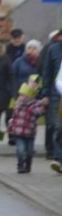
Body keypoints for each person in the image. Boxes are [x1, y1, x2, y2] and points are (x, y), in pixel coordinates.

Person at [7, 75, 46, 173]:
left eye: (25, 96)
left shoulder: (35, 105)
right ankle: (20, 165)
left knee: (29, 151)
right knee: (20, 150)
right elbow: (14, 117)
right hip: (19, 132)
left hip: (30, 132)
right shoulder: (18, 105)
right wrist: (10, 128)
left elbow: (39, 112)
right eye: (21, 95)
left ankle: (28, 164)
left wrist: (42, 105)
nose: (23, 98)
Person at [41, 30, 62, 172]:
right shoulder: (53, 49)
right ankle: (59, 159)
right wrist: (45, 93)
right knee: (58, 127)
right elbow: (47, 72)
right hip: (57, 95)